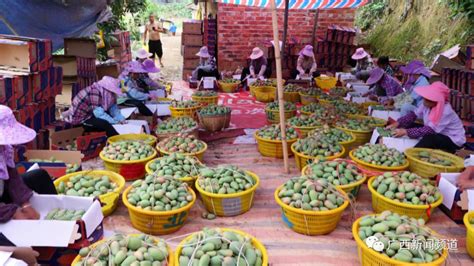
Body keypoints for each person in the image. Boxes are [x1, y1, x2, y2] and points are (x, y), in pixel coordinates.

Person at [1, 105, 58, 265]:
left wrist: (25, 204)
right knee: (11, 250)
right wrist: (13, 211)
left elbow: (13, 178)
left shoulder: (3, 149)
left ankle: (57, 221)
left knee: (38, 176)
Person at [387, 82, 466, 153]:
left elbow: (430, 130)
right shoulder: (427, 104)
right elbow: (413, 115)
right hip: (437, 132)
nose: (424, 100)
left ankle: (410, 154)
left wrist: (406, 132)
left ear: (437, 101)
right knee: (410, 125)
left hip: (452, 139)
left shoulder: (445, 111)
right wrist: (398, 123)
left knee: (429, 139)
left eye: (429, 98)